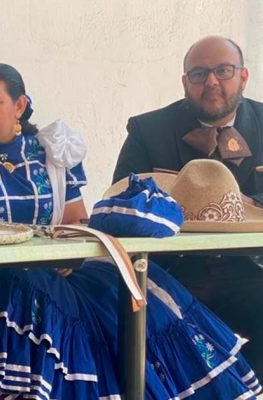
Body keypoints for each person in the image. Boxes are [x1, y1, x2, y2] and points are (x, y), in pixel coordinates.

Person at [0, 62, 260, 399]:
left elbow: (75, 222)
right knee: (32, 285)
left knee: (129, 285)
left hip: (55, 269)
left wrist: (65, 256)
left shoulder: (51, 152)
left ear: (20, 106)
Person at [113, 35, 263, 375]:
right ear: (185, 83)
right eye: (198, 73)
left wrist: (249, 203)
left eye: (223, 70)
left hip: (250, 269)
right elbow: (122, 200)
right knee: (133, 328)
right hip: (172, 273)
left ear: (243, 76)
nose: (211, 81)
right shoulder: (147, 130)